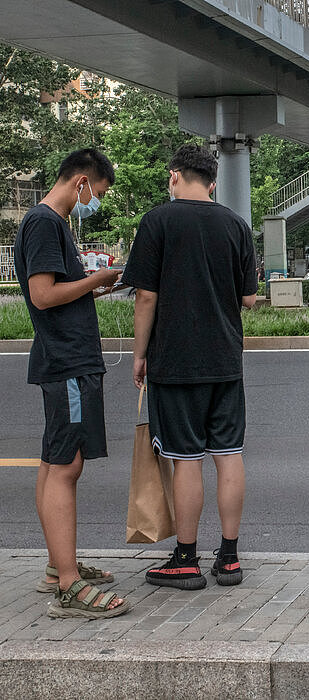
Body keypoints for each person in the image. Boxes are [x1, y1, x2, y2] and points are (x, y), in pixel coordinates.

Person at [122, 144, 257, 591]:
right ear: (213, 181)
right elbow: (249, 298)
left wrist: (140, 354)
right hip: (225, 359)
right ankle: (231, 557)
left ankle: (185, 558)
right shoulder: (236, 225)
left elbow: (145, 296)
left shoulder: (158, 222)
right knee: (229, 454)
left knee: (185, 459)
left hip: (176, 360)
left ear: (174, 176)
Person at [13, 148, 129, 619]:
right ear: (81, 182)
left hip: (63, 358)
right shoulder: (44, 222)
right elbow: (43, 295)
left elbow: (57, 290)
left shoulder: (48, 223)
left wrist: (95, 285)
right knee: (67, 465)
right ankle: (68, 586)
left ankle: (56, 566)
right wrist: (98, 276)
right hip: (68, 362)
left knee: (53, 461)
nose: (94, 203)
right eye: (96, 193)